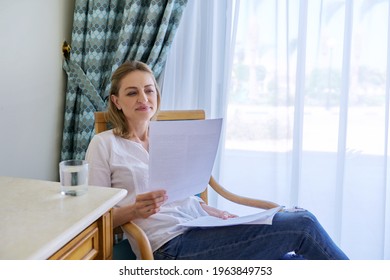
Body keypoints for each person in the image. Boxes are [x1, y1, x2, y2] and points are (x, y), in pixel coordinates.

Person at [85, 60, 349, 260]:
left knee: (295, 262)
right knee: (302, 224)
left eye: (149, 90)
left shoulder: (171, 137)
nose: (143, 98)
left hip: (200, 226)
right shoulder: (104, 144)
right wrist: (134, 210)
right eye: (132, 93)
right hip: (168, 247)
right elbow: (93, 219)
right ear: (116, 101)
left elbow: (182, 191)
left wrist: (209, 210)